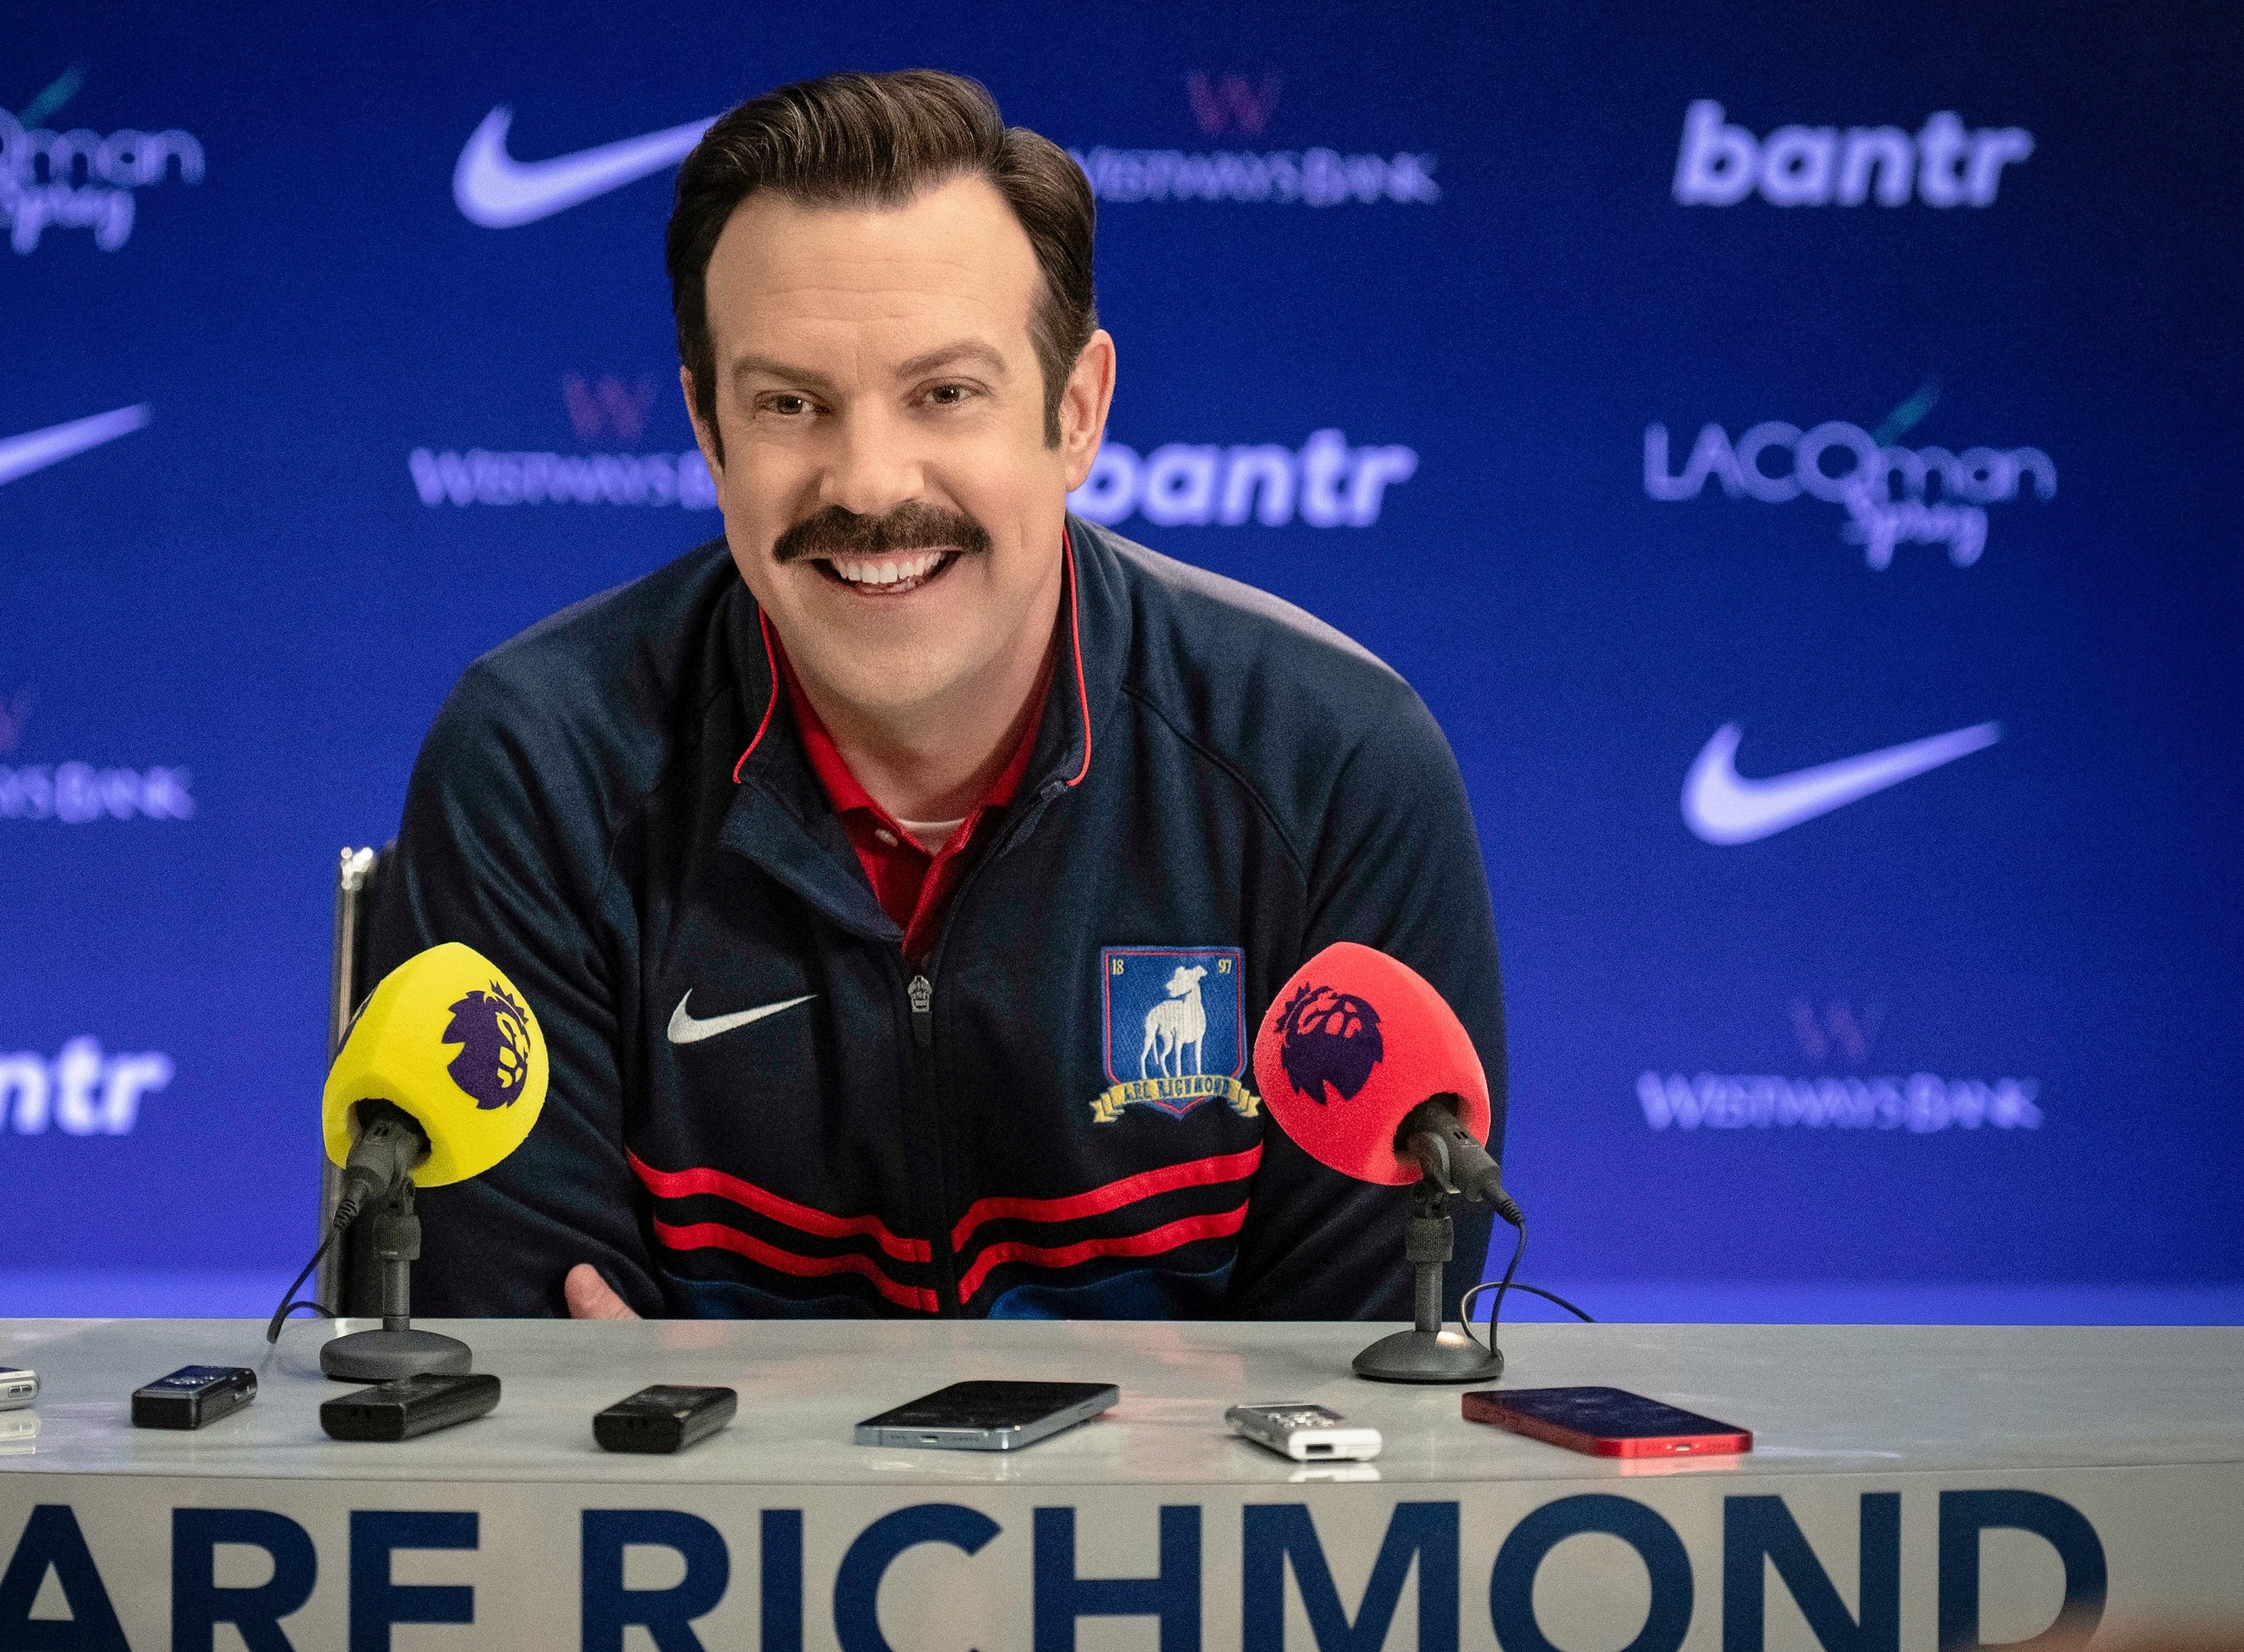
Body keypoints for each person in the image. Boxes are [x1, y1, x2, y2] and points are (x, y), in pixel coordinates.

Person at [382, 69, 1503, 1319]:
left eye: (946, 395)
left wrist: (715, 1399)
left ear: (1076, 413)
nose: (868, 483)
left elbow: (1365, 1377)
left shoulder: (1332, 770)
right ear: (707, 427)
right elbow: (533, 1374)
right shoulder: (537, 768)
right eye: (790, 404)